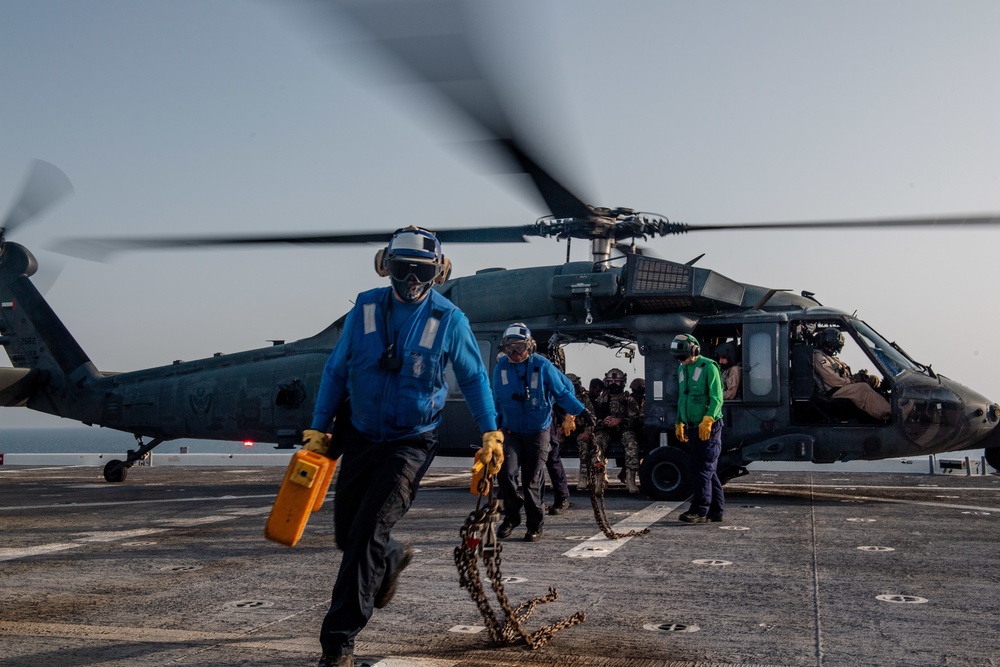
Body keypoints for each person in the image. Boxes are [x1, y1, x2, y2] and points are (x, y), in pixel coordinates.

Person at [302, 226, 503, 667]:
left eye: (421, 271)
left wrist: (490, 432)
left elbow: (473, 378)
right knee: (348, 536)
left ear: (439, 272)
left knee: (366, 534)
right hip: (359, 433)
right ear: (384, 266)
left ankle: (338, 643)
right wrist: (319, 429)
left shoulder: (448, 319)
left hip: (410, 442)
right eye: (402, 269)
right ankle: (391, 556)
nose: (411, 281)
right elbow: (336, 372)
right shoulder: (365, 309)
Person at [493, 322, 593, 542]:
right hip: (510, 431)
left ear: (530, 346)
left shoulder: (543, 366)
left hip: (538, 432)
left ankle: (534, 524)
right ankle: (511, 517)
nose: (515, 353)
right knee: (504, 473)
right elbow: (495, 401)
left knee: (531, 479)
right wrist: (490, 429)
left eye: (519, 347)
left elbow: (562, 392)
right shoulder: (500, 368)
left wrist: (580, 411)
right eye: (510, 347)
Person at [672, 334, 725, 524]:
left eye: (683, 356)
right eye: (678, 357)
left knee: (700, 468)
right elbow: (682, 398)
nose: (681, 360)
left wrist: (708, 419)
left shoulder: (708, 367)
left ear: (694, 350)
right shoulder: (682, 369)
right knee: (707, 469)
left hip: (708, 426)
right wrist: (679, 422)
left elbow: (717, 398)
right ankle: (716, 510)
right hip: (693, 427)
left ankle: (700, 510)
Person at [812, 327, 890, 421]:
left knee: (873, 379)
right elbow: (833, 381)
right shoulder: (819, 358)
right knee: (863, 388)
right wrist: (853, 380)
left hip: (841, 386)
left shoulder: (830, 358)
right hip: (833, 391)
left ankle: (885, 404)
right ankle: (890, 413)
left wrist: (857, 377)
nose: (833, 350)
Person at [593, 368, 642, 494]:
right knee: (597, 444)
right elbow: (593, 418)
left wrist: (620, 420)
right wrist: (603, 422)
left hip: (624, 429)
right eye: (611, 381)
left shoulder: (628, 399)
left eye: (617, 381)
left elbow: (636, 419)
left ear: (622, 382)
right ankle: (600, 479)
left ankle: (630, 480)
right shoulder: (601, 400)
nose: (614, 383)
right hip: (605, 430)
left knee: (632, 443)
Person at [564, 373, 600, 491]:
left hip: (580, 431)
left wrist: (587, 432)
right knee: (551, 447)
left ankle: (583, 477)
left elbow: (592, 418)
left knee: (584, 445)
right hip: (564, 430)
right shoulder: (560, 398)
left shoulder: (584, 399)